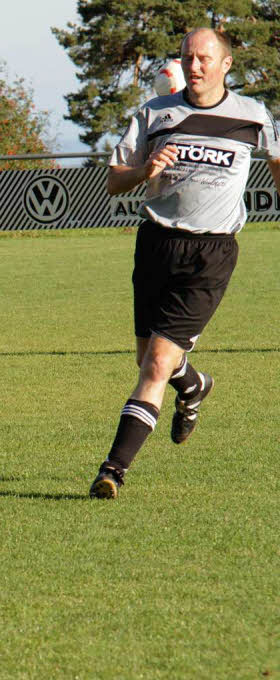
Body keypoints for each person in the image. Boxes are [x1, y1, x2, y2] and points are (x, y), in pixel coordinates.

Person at [89, 28, 280, 499]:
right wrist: (145, 170)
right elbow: (114, 182)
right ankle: (194, 385)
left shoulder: (254, 116)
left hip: (210, 253)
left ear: (226, 64)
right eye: (187, 58)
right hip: (155, 245)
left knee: (155, 364)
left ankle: (112, 471)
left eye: (204, 58)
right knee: (149, 359)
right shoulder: (156, 113)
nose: (195, 66)